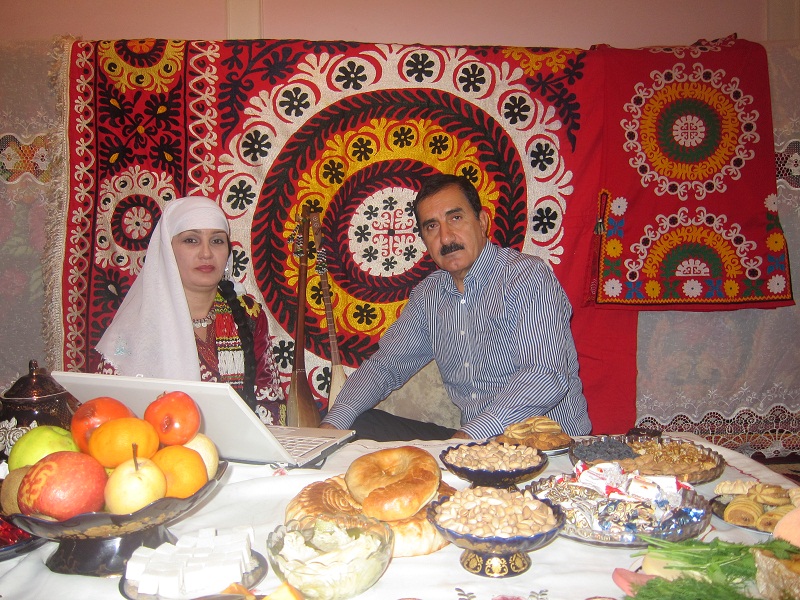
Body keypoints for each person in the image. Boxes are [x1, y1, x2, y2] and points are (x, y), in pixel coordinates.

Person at [320, 174, 591, 441]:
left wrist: (469, 436)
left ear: (482, 222)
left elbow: (545, 375)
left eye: (456, 218)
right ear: (425, 241)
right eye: (432, 226)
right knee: (355, 424)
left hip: (543, 444)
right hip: (472, 445)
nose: (446, 237)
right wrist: (331, 426)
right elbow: (385, 366)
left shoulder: (526, 277)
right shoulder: (429, 296)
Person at [95, 196, 285, 425]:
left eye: (217, 241)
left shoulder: (247, 315)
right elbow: (110, 412)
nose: (206, 253)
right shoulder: (137, 324)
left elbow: (269, 401)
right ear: (167, 251)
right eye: (191, 240)